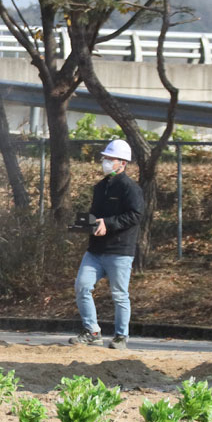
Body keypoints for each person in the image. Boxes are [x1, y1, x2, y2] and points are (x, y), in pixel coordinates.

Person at [69, 139, 144, 350]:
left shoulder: (130, 188)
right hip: (95, 250)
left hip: (120, 251)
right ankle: (92, 331)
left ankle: (121, 336)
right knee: (82, 286)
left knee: (120, 294)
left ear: (123, 163)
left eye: (111, 159)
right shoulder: (100, 187)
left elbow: (135, 215)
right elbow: (96, 215)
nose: (106, 162)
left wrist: (107, 224)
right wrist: (85, 224)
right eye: (105, 158)